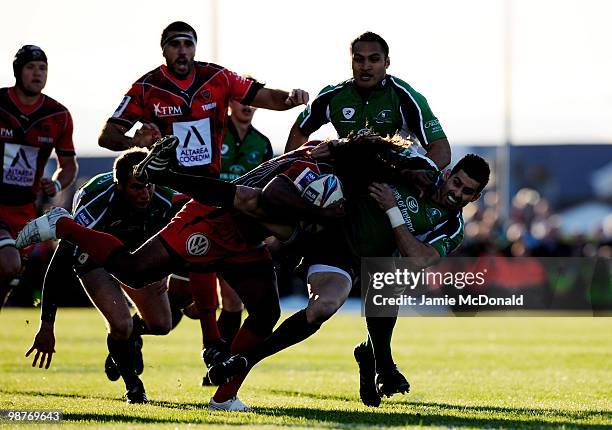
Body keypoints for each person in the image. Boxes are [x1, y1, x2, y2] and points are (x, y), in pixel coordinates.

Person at [97, 20, 308, 376]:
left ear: (195, 48)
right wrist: (136, 139)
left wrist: (289, 99)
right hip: (166, 195)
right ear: (164, 50)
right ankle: (205, 345)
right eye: (175, 44)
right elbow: (108, 134)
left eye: (188, 44)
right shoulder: (147, 87)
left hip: (208, 195)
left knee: (200, 298)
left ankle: (199, 349)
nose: (182, 51)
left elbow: (263, 95)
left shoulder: (218, 78)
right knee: (177, 287)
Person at [205, 149, 490, 409]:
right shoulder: (418, 167)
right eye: (457, 183)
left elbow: (417, 257)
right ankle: (379, 361)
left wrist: (392, 210)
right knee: (321, 303)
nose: (458, 193)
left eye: (467, 192)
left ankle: (245, 359)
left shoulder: (453, 227)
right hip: (333, 238)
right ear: (448, 174)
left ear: (475, 198)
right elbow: (367, 149)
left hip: (372, 265)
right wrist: (328, 150)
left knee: (373, 286)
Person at [24, 149, 190, 404]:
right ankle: (133, 386)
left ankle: (128, 339)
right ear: (120, 186)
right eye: (136, 187)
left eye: (149, 186)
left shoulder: (166, 199)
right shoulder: (96, 202)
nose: (145, 194)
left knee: (161, 325)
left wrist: (168, 274)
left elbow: (180, 245)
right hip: (95, 257)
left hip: (134, 255)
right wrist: (47, 324)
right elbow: (61, 260)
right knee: (121, 325)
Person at [285, 31, 450, 194]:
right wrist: (294, 174)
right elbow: (300, 130)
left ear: (387, 62)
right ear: (351, 62)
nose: (365, 67)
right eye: (359, 59)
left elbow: (442, 151)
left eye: (374, 59)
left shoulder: (406, 97)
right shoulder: (332, 95)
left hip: (392, 188)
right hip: (348, 184)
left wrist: (412, 177)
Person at [0, 45, 77, 309]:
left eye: (42, 68)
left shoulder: (58, 115)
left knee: (8, 276)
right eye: (31, 67)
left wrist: (55, 183)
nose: (37, 73)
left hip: (23, 210)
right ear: (18, 71)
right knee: (8, 263)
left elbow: (68, 165)